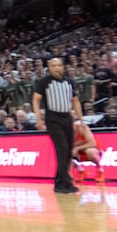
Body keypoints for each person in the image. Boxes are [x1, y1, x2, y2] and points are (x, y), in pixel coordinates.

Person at [32, 58, 83, 194]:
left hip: (67, 117)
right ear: (49, 67)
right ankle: (65, 182)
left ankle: (60, 182)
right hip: (53, 118)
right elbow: (36, 100)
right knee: (62, 148)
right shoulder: (44, 82)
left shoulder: (70, 82)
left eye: (59, 65)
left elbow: (76, 101)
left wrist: (81, 119)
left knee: (68, 151)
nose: (56, 68)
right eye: (53, 65)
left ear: (63, 67)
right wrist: (38, 119)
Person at [71, 114, 105, 183]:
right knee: (63, 153)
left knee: (90, 151)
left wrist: (77, 148)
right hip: (79, 151)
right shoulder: (64, 131)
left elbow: (92, 143)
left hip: (92, 148)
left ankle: (100, 170)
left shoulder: (82, 127)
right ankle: (81, 171)